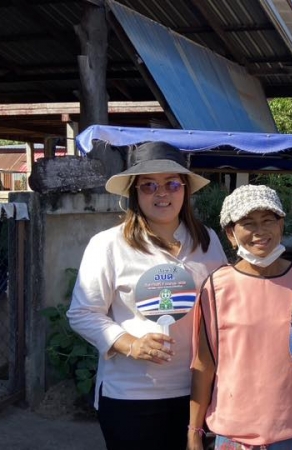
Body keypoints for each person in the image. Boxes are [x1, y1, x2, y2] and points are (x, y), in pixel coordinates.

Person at [67, 141, 228, 450]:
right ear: (135, 193)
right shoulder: (109, 245)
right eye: (149, 185)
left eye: (172, 184)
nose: (161, 193)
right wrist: (130, 344)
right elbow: (82, 313)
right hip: (131, 395)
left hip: (197, 391)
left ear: (185, 189)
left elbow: (222, 305)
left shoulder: (207, 241)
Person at [188, 184, 292, 450]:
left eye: (268, 220)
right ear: (230, 234)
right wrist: (194, 432)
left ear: (281, 225)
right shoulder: (216, 287)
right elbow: (204, 365)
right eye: (248, 223)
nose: (260, 231)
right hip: (234, 434)